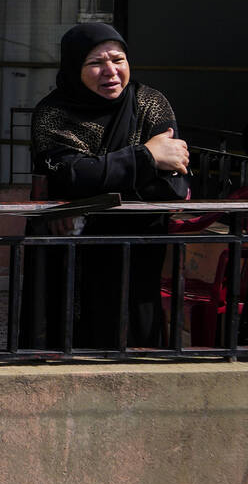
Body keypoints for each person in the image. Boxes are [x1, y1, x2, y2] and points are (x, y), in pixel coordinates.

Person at [21, 22, 188, 350]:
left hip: (136, 248)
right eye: (95, 63)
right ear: (73, 66)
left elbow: (171, 186)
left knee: (135, 338)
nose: (110, 71)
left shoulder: (150, 103)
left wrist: (90, 188)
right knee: (68, 335)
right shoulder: (53, 113)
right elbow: (67, 174)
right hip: (71, 253)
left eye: (118, 60)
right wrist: (146, 158)